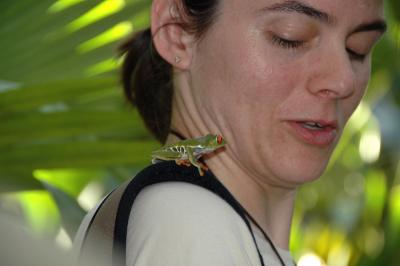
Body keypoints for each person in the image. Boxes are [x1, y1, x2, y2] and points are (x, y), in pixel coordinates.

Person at [75, 0, 387, 265]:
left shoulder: (186, 218)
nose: (343, 80)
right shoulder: (190, 220)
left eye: (357, 49)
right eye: (289, 37)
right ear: (177, 34)